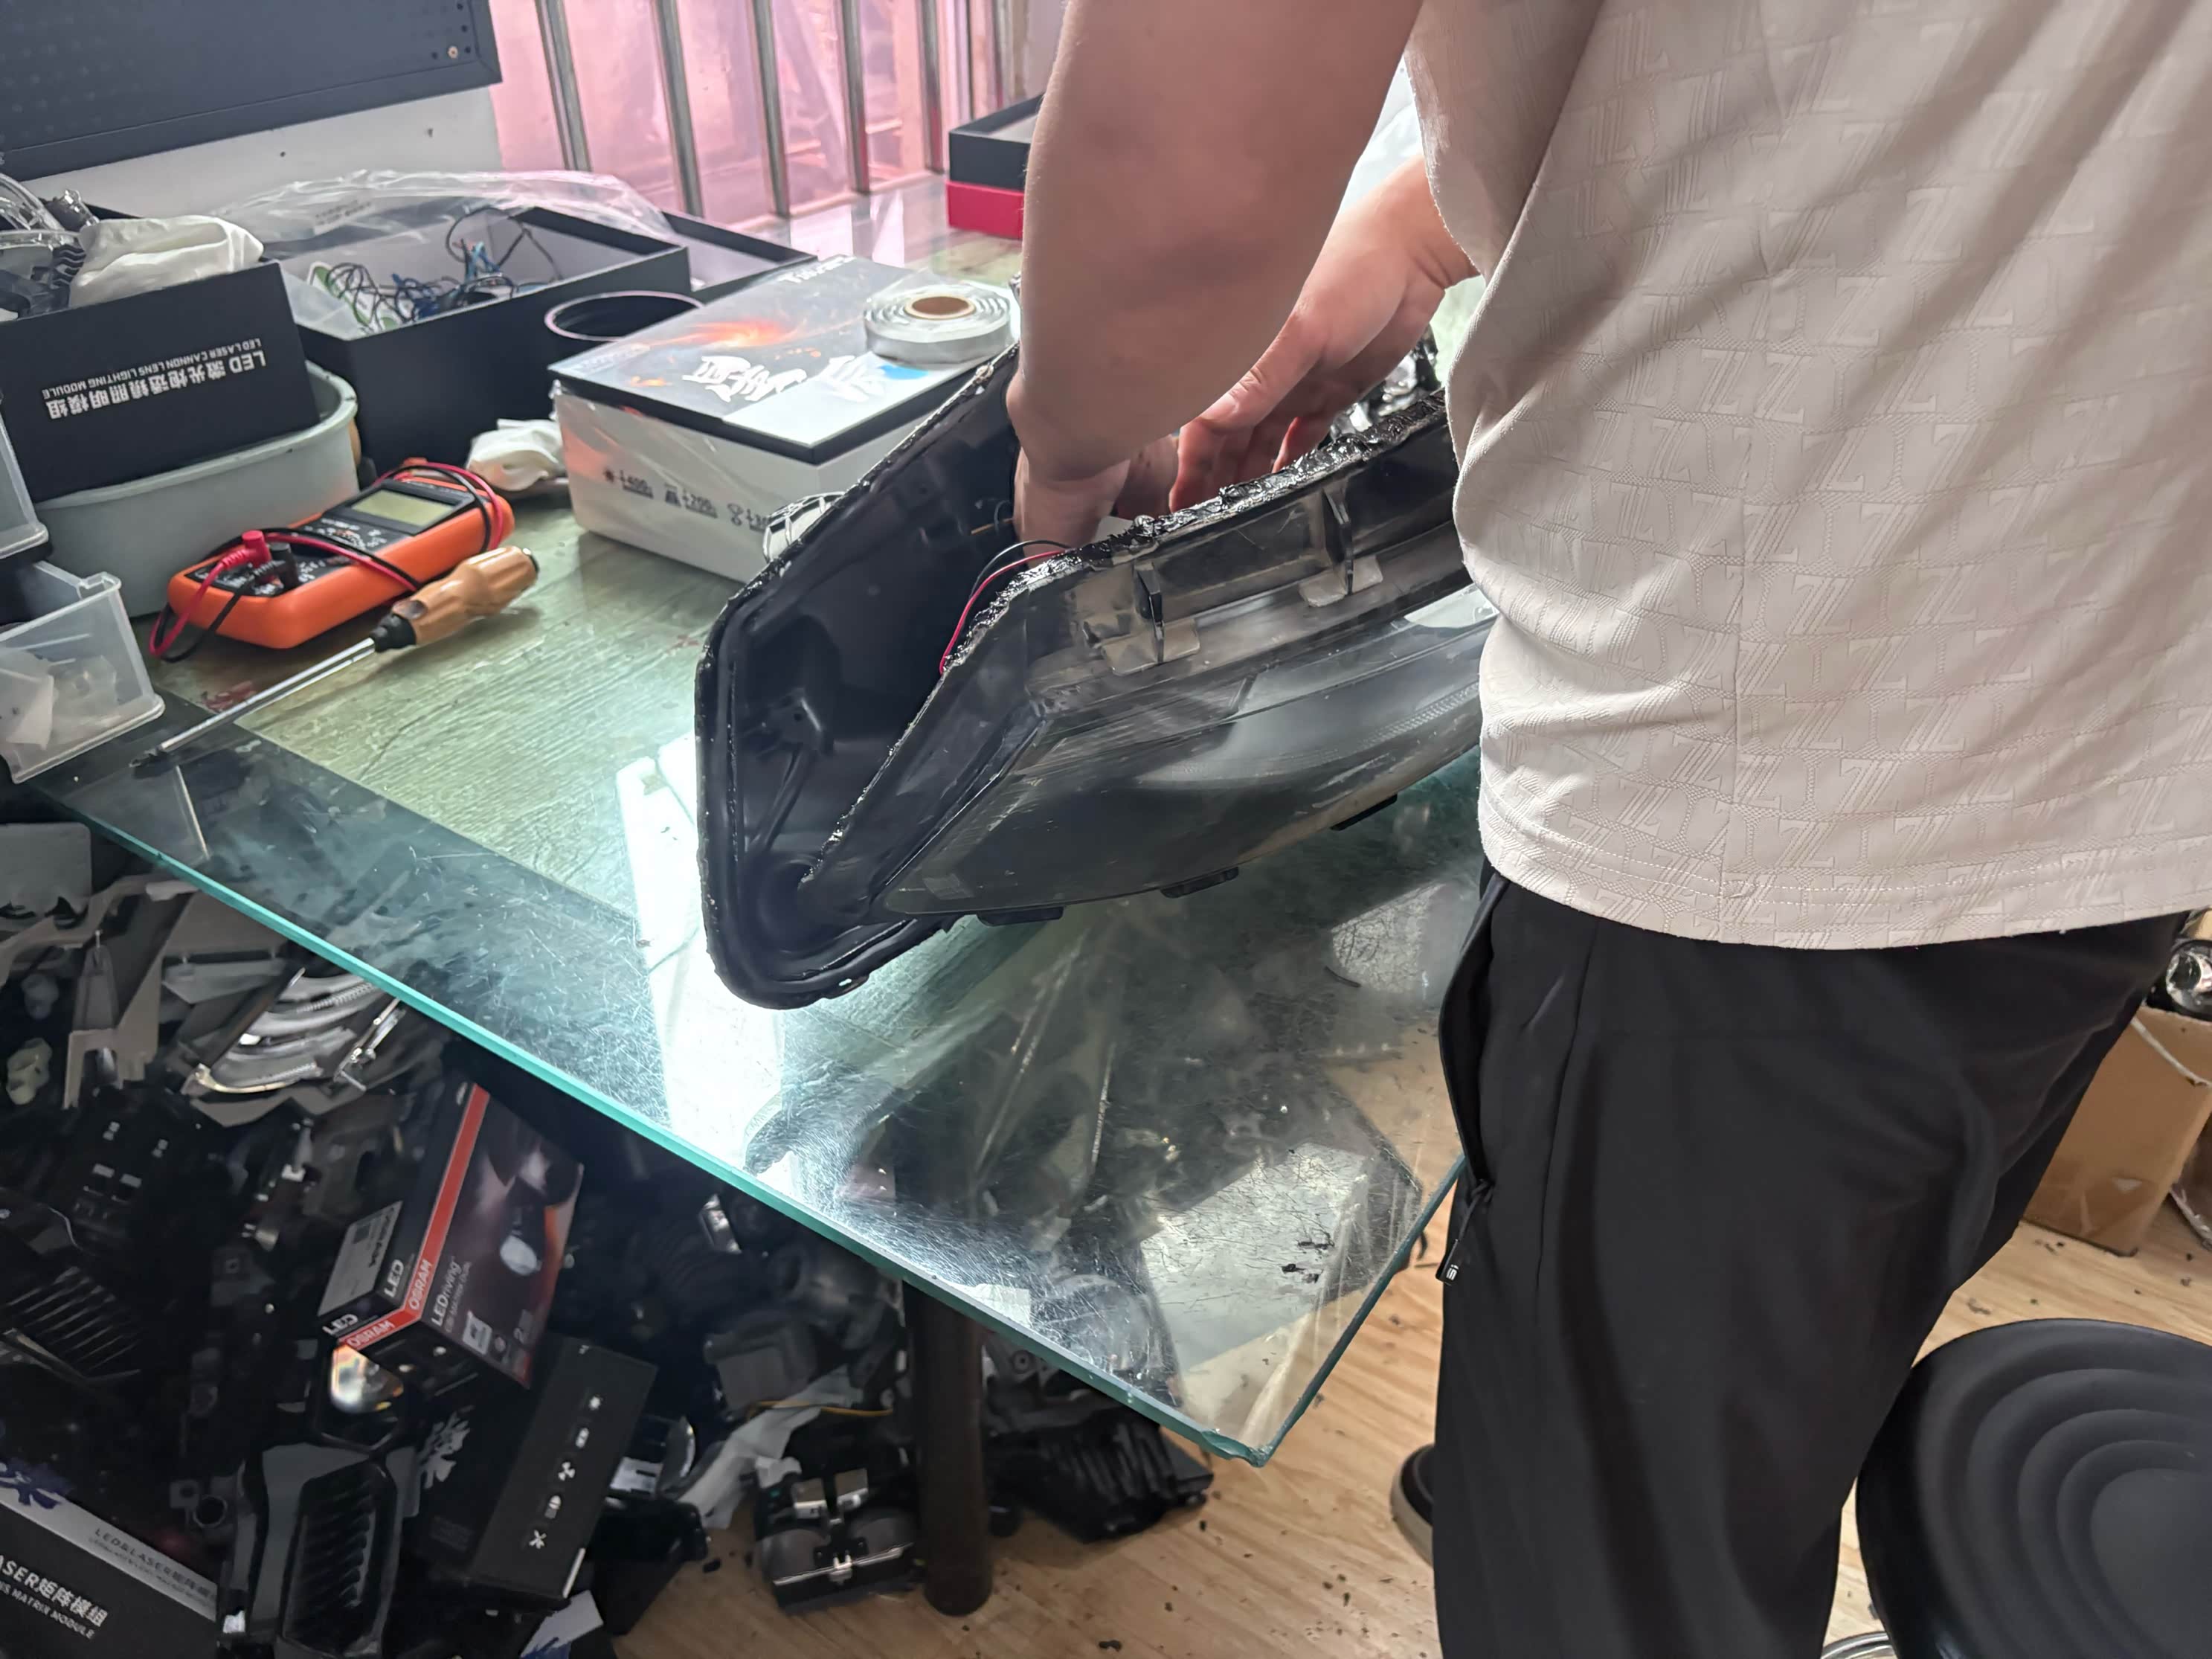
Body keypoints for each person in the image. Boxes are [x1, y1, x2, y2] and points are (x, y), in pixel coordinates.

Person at [1006, 1, 2212, 1654]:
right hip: (2102, 751)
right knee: (1774, 1374)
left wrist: (1062, 443)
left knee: (1616, 1587)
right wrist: (1420, 220)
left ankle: (1611, 1503)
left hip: (1768, 824)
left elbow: (1178, 189)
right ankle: (1643, 1464)